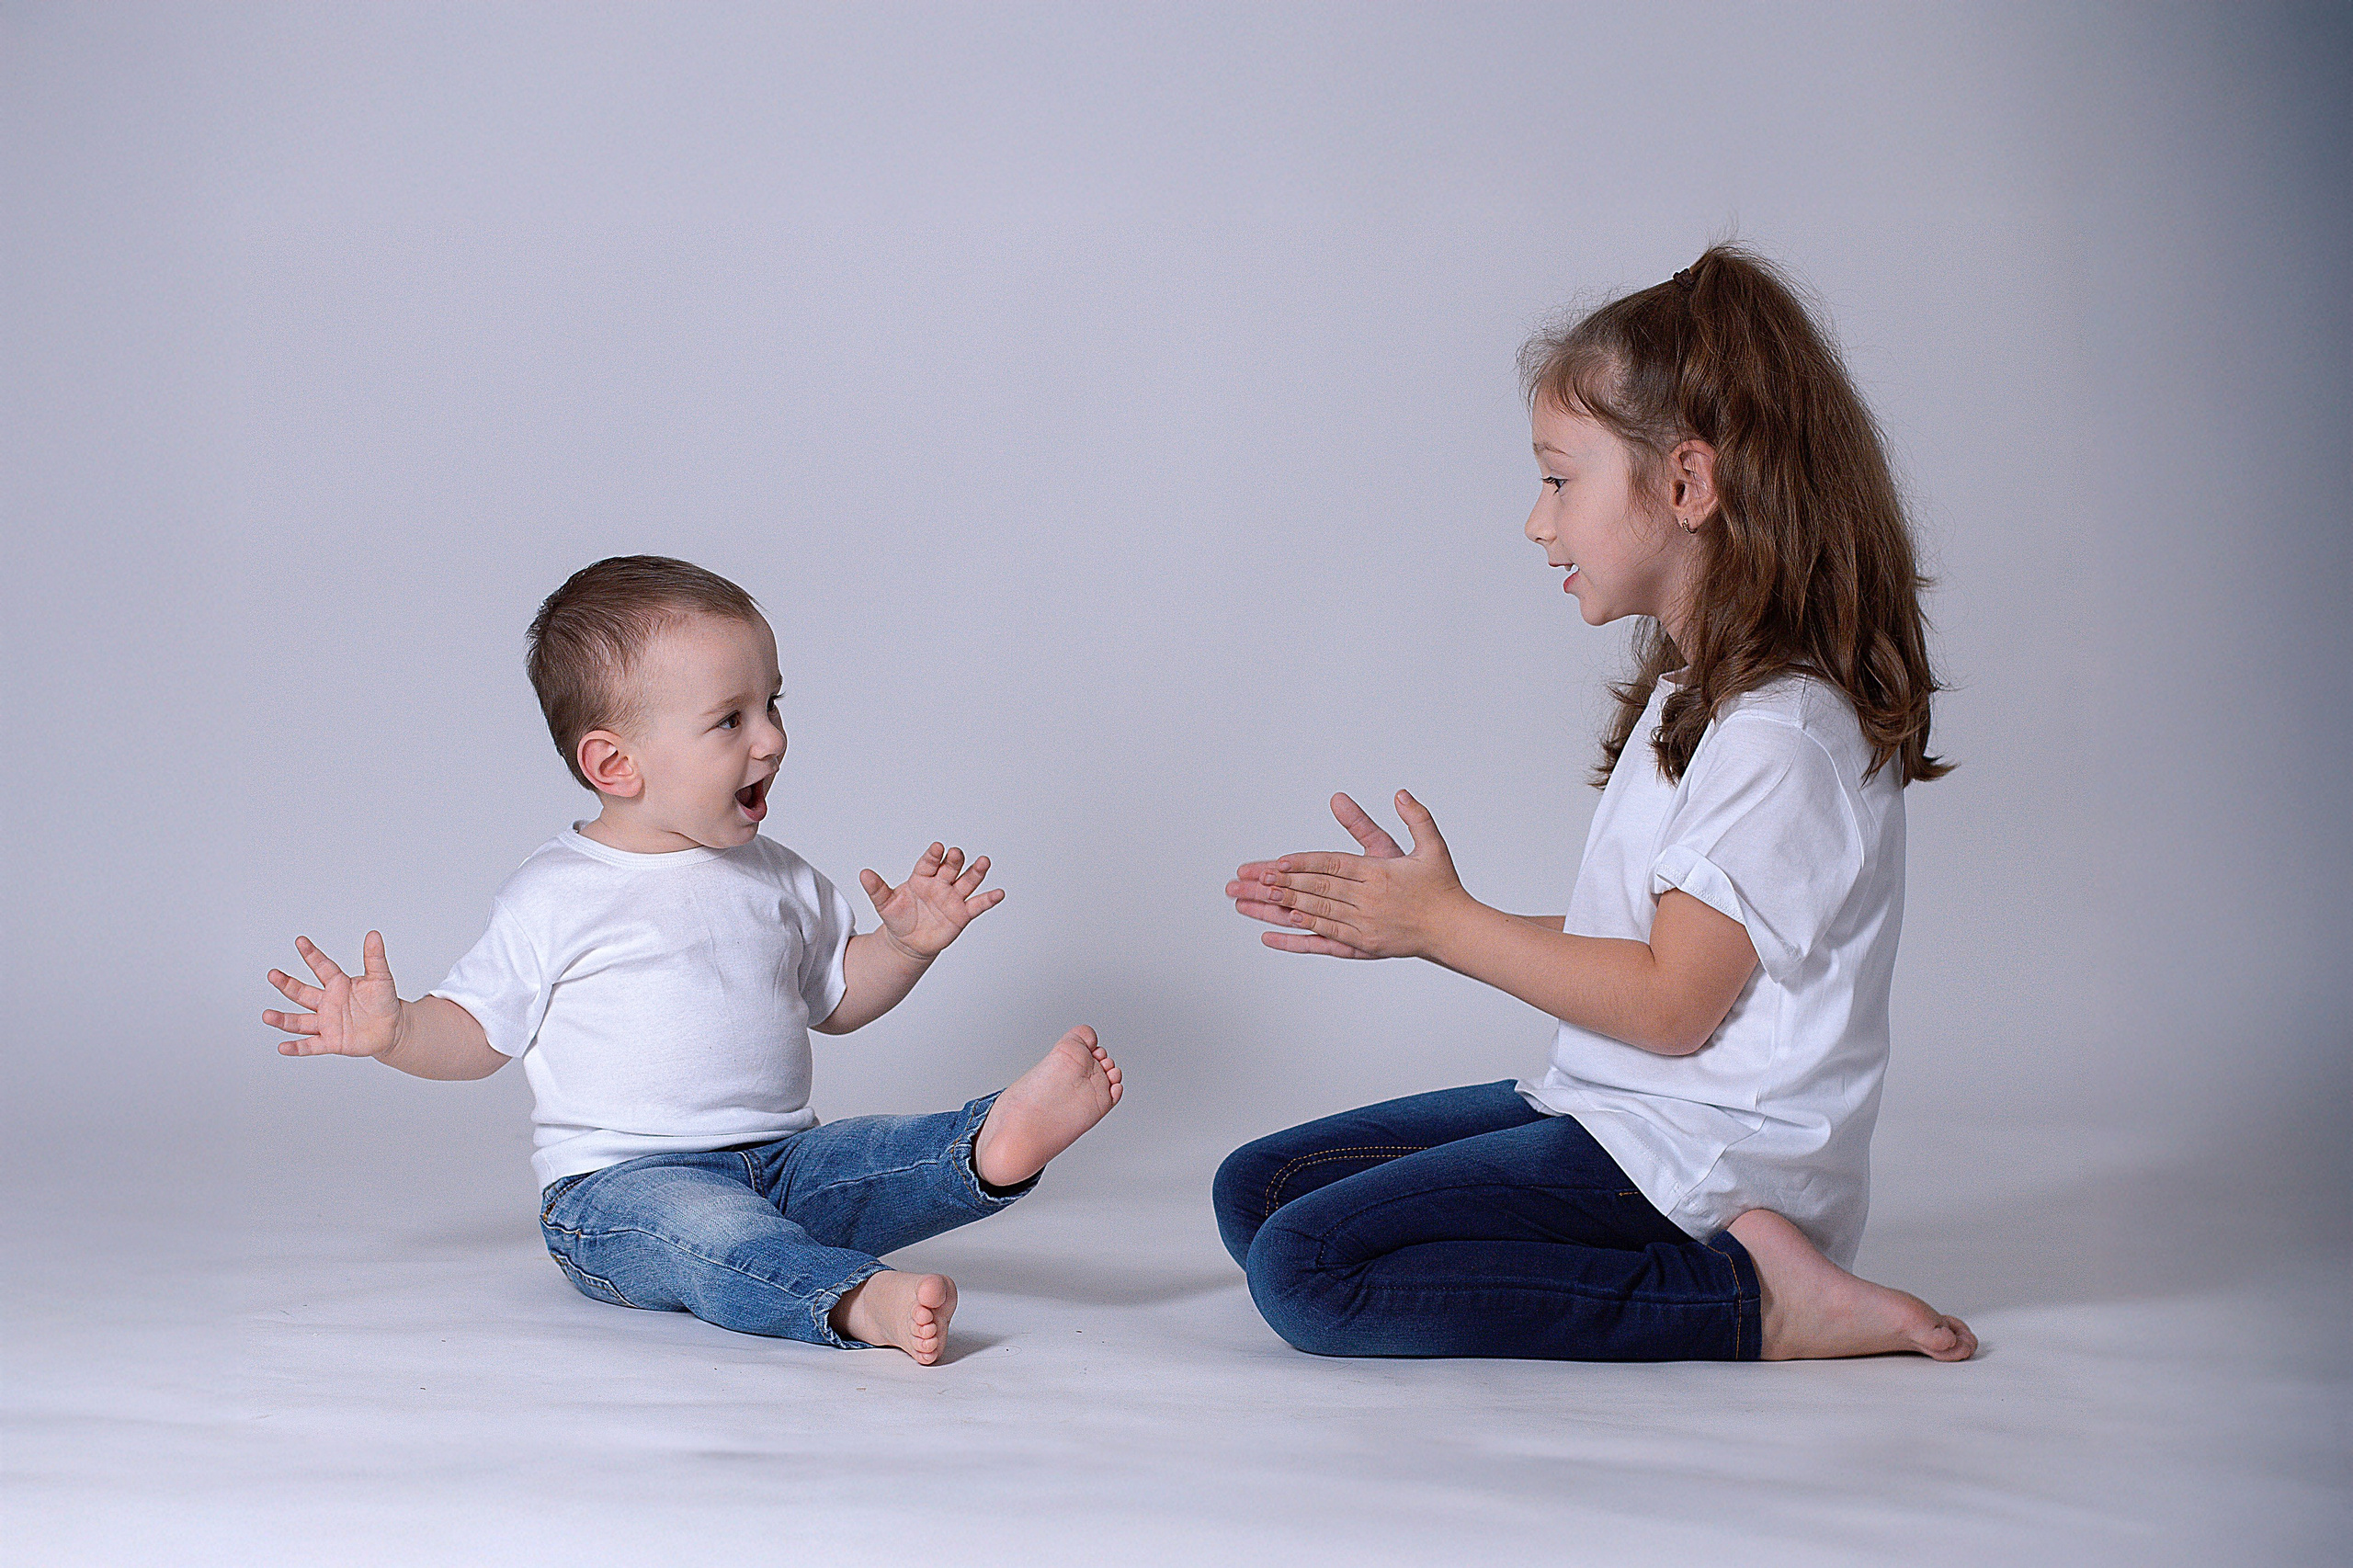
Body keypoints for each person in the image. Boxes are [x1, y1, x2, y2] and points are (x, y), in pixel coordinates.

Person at [1215, 246, 1975, 1363]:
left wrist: (1442, 925)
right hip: (1619, 1108)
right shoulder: (1699, 692)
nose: (1537, 522)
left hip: (1701, 1160)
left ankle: (1753, 1297)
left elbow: (1671, 1005)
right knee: (1262, 1190)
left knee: (1306, 1268)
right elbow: (1647, 954)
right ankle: (1709, 1269)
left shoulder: (1782, 738)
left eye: (1559, 479)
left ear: (1685, 485)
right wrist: (1418, 917)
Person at [263, 555, 1120, 1364]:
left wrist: (901, 946)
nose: (774, 739)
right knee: (707, 1239)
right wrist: (398, 1027)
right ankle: (855, 1301)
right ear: (615, 764)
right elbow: (476, 1035)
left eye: (774, 705)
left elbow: (837, 998)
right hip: (620, 1192)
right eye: (731, 720)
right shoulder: (556, 893)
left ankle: (982, 1147)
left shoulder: (778, 875)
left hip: (782, 1161)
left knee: (871, 1156)